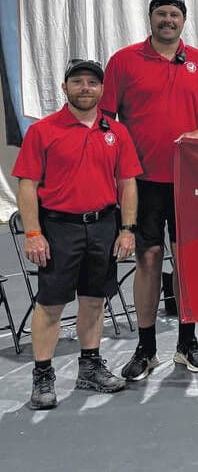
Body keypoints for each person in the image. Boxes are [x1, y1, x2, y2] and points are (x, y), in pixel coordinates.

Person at [101, 0, 198, 380]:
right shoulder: (123, 61)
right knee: (149, 259)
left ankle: (188, 343)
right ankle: (146, 346)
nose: (167, 20)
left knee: (187, 262)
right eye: (161, 14)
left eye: (174, 14)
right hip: (141, 183)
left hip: (190, 181)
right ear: (151, 19)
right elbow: (106, 117)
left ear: (183, 20)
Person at [14, 59, 141, 409]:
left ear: (101, 89)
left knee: (94, 299)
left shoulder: (116, 131)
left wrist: (127, 229)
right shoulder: (43, 130)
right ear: (64, 88)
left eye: (92, 83)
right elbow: (27, 186)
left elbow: (127, 183)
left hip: (103, 226)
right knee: (50, 304)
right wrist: (33, 233)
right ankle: (42, 377)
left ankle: (90, 367)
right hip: (58, 228)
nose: (85, 88)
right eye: (78, 82)